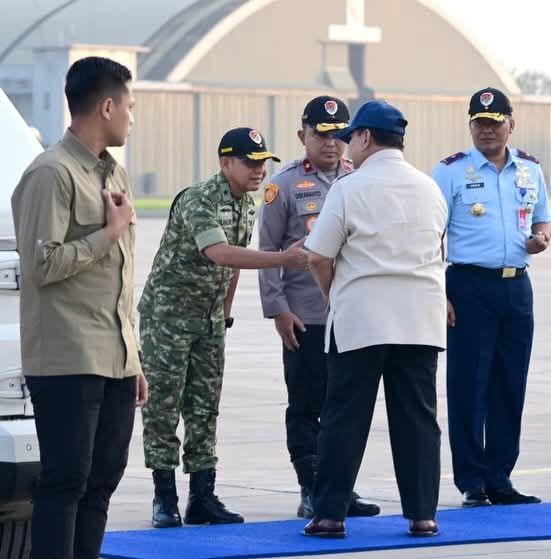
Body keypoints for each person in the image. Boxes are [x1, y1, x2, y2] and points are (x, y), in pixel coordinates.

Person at [11, 56, 148, 559]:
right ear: (107, 106)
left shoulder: (115, 175)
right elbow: (41, 265)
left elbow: (121, 276)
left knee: (100, 484)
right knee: (66, 481)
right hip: (68, 356)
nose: (132, 118)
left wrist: (131, 356)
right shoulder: (51, 173)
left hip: (112, 359)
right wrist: (106, 233)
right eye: (129, 107)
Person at [140, 127, 308, 528]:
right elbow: (219, 253)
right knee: (164, 407)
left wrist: (226, 313)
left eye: (263, 161)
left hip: (210, 319)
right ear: (225, 162)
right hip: (169, 317)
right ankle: (165, 498)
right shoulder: (198, 199)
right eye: (250, 162)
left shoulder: (246, 205)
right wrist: (283, 259)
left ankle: (203, 496)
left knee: (204, 407)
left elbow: (233, 266)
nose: (259, 169)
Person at [302, 100, 447, 538]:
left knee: (345, 417)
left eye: (351, 138)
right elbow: (440, 251)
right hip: (420, 319)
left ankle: (329, 515)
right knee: (418, 420)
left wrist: (334, 296)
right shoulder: (429, 188)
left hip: (362, 319)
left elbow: (318, 256)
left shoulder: (349, 188)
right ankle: (423, 515)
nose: (348, 146)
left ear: (365, 138)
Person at [258, 95, 379, 519]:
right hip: (305, 317)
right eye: (321, 135)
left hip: (348, 316)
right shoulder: (284, 185)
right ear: (302, 136)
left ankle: (339, 487)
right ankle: (311, 487)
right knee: (307, 406)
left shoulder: (357, 179)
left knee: (344, 407)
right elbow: (269, 250)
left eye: (338, 136)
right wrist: (278, 311)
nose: (331, 144)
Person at [431, 87, 551, 507]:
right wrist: (437, 292)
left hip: (516, 286)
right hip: (469, 286)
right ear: (470, 127)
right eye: (479, 124)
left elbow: (543, 221)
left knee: (509, 384)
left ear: (510, 126)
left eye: (494, 123)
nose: (487, 131)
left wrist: (540, 240)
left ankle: (501, 477)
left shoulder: (529, 170)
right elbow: (431, 236)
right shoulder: (450, 172)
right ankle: (472, 479)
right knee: (469, 384)